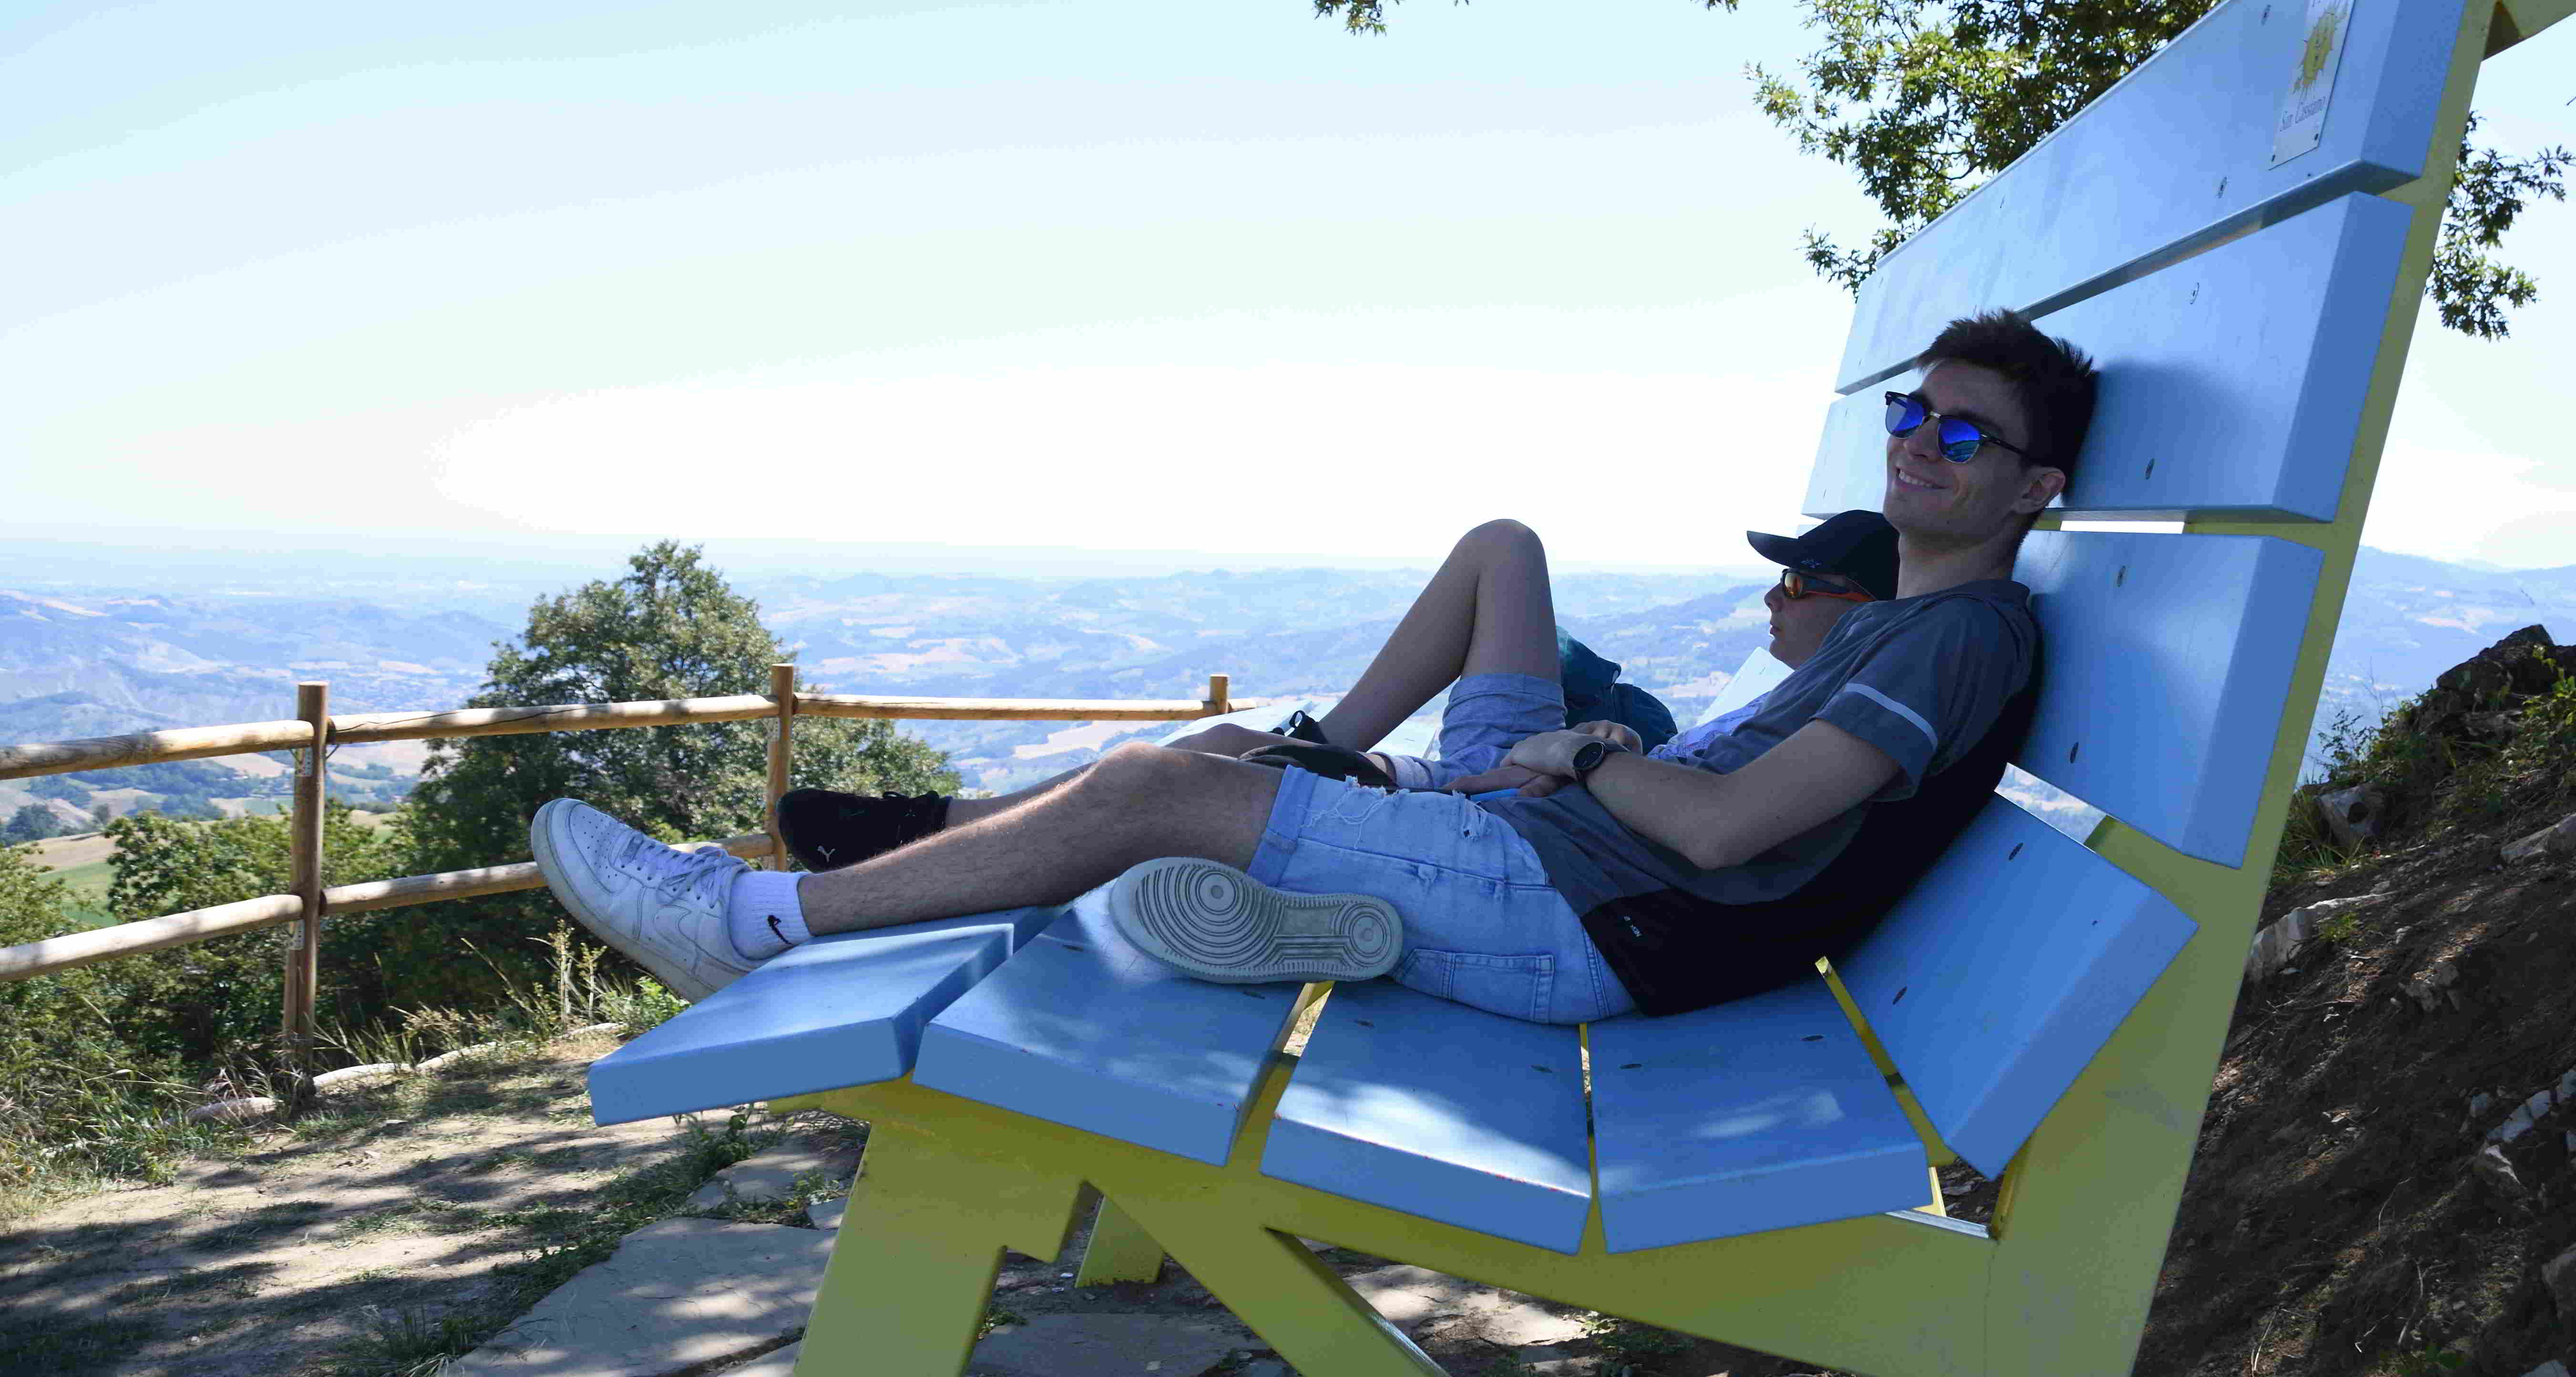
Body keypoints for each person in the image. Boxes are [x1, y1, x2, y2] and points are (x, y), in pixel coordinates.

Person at [529, 310, 2094, 1023]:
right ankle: (1313, 771)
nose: (1921, 442)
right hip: (1552, 841)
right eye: (1912, 413)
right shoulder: (1900, 620)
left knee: (1152, 787)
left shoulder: (1965, 632)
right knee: (1497, 549)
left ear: (2037, 489)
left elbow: (1734, 830)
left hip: (1579, 911)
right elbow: (1727, 797)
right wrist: (1555, 765)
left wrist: (1591, 756)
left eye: (1966, 435)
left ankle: (752, 927)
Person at [770, 507, 1896, 870]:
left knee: (1195, 767)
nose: (1774, 594)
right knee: (1503, 544)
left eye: (1800, 580)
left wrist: (1584, 760)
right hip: (1532, 780)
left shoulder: (1851, 700)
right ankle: (1322, 740)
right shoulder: (1807, 685)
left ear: (1860, 608)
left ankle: (924, 831)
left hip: (1525, 814)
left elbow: (1705, 827)